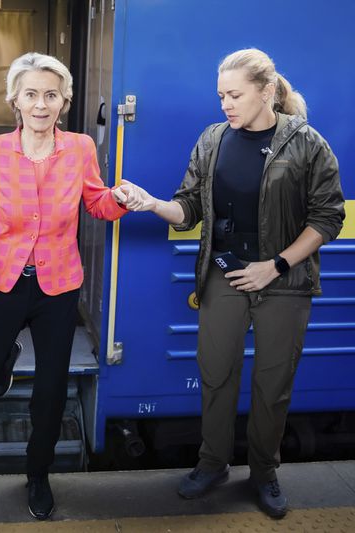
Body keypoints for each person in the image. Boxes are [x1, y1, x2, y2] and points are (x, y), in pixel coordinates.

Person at [121, 48, 345, 519]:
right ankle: (213, 464)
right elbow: (189, 208)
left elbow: (328, 218)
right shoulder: (212, 139)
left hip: (284, 282)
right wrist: (151, 203)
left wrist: (276, 265)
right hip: (225, 274)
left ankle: (264, 472)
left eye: (235, 94)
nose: (225, 104)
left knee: (273, 383)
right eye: (221, 94)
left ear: (266, 91)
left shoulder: (307, 143)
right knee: (216, 373)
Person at [0, 52, 134, 520]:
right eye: (30, 94)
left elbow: (96, 203)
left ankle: (38, 473)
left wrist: (119, 198)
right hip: (3, 279)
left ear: (64, 101)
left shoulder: (79, 149)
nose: (40, 104)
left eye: (50, 95)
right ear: (14, 99)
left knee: (51, 388)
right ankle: (4, 360)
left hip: (58, 286)